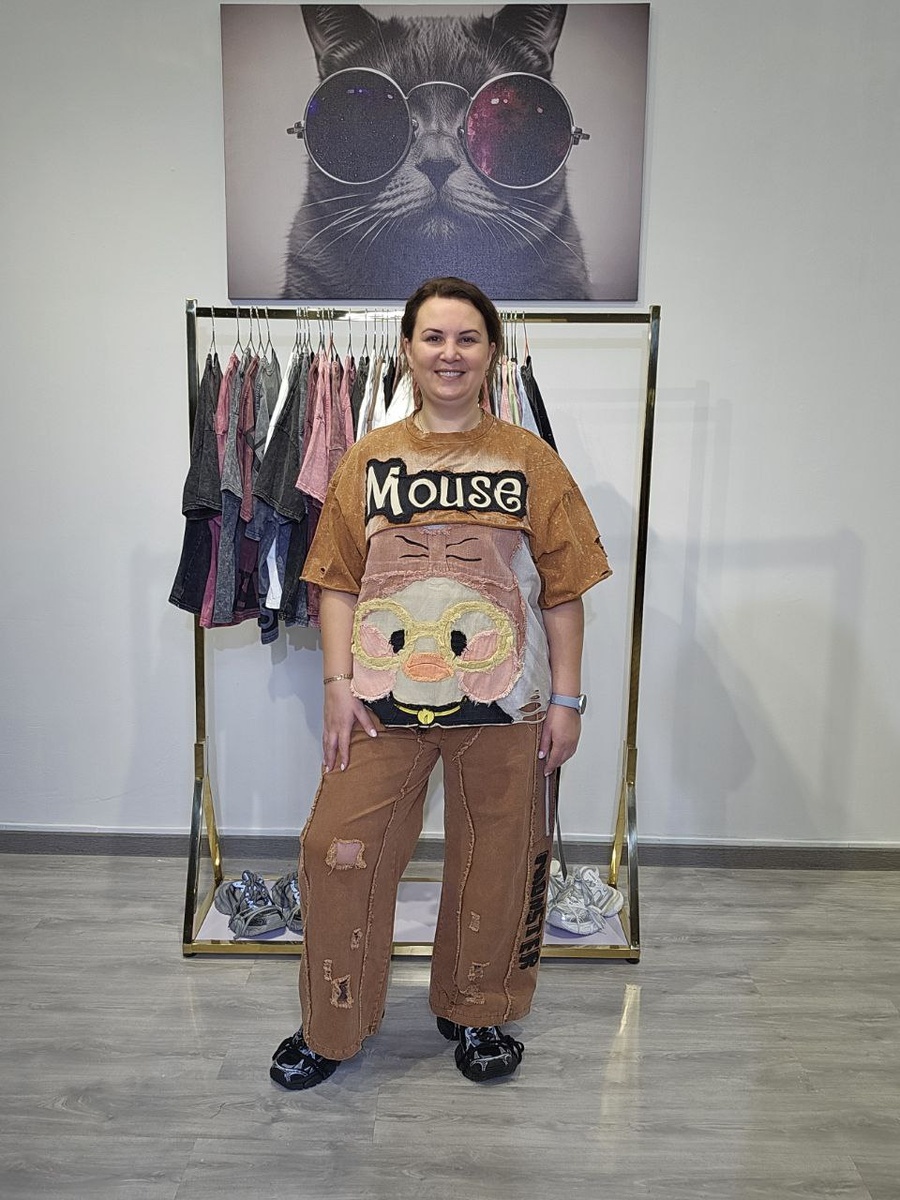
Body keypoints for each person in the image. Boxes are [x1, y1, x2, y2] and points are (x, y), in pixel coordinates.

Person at [270, 277, 611, 1090]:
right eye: (433, 337)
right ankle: (332, 1023)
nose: (449, 353)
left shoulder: (530, 460)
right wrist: (337, 682)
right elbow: (336, 581)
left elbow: (563, 590)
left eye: (466, 338)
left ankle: (478, 1008)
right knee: (335, 850)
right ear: (407, 350)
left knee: (500, 858)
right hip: (379, 704)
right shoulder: (369, 458)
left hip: (508, 704)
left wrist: (567, 701)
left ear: (492, 352)